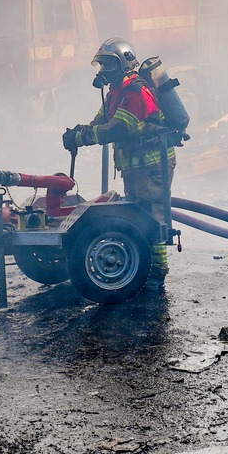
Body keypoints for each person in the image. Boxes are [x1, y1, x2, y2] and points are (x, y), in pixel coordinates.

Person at [62, 37, 180, 278]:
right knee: (139, 216)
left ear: (124, 64)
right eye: (101, 66)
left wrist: (84, 137)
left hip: (152, 166)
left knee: (152, 217)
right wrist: (78, 133)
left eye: (109, 65)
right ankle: (145, 267)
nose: (104, 71)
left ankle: (157, 272)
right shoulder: (116, 93)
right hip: (137, 169)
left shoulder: (135, 92)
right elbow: (100, 122)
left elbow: (116, 129)